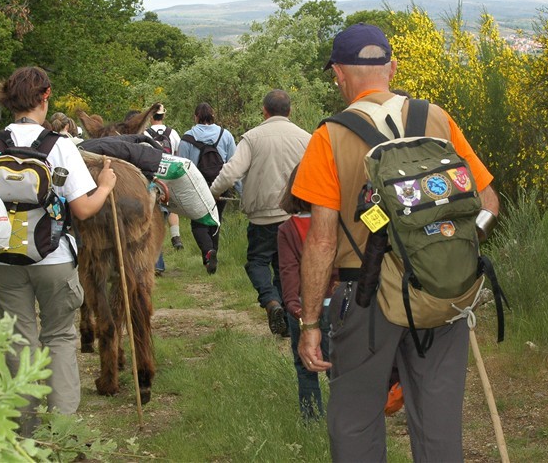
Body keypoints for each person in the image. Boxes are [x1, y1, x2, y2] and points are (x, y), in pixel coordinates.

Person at [293, 23, 500, 462]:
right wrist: (458, 250)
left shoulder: (328, 137)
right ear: (392, 67)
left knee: (355, 420)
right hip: (443, 291)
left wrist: (310, 324)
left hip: (365, 296)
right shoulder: (438, 118)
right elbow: (489, 203)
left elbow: (322, 242)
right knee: (439, 422)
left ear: (339, 75)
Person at [0, 66, 117, 433]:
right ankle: (63, 434)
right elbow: (83, 210)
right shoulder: (59, 146)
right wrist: (105, 185)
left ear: (8, 99)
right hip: (55, 259)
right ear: (45, 96)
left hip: (2, 259)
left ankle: (24, 434)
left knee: (17, 342)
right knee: (60, 338)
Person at [210, 90, 310, 335]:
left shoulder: (253, 138)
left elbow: (232, 172)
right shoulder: (306, 138)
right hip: (294, 215)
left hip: (262, 216)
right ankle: (286, 318)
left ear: (264, 111)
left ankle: (271, 302)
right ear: (290, 111)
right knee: (285, 266)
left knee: (257, 261)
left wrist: (212, 192)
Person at [278, 164, 335, 420]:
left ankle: (312, 420)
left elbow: (288, 271)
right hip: (338, 304)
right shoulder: (339, 222)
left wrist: (293, 306)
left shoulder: (287, 229)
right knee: (340, 367)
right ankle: (344, 417)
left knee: (305, 367)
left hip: (302, 305)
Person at [178, 102, 238, 274]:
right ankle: (212, 258)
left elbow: (182, 167)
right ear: (213, 116)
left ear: (196, 117)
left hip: (198, 187)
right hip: (221, 184)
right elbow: (233, 163)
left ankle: (208, 253)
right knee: (215, 221)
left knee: (198, 222)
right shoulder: (225, 135)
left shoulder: (187, 138)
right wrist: (240, 190)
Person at [145, 102, 184, 254]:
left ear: (150, 117)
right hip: (170, 173)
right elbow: (178, 153)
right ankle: (176, 237)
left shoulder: (146, 134)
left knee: (154, 208)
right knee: (172, 205)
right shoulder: (172, 133)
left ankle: (156, 241)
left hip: (153, 174)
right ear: (163, 115)